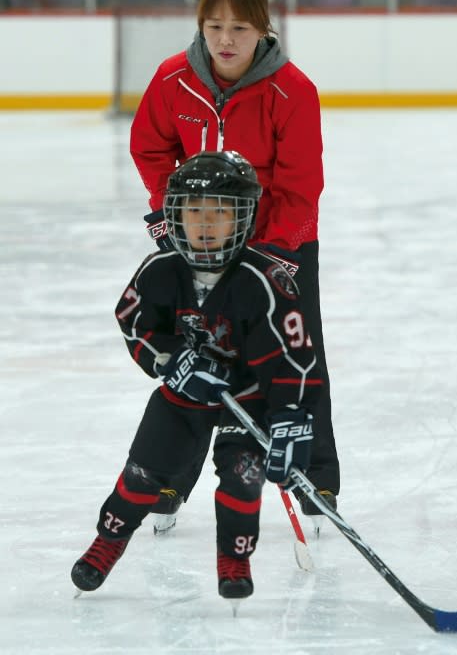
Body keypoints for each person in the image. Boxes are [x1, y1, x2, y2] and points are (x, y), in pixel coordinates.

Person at [130, 0, 339, 526]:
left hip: (280, 251)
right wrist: (166, 212)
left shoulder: (292, 90)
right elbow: (151, 147)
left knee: (296, 363)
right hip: (201, 248)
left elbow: (301, 186)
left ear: (262, 30)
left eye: (239, 28)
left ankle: (315, 480)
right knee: (199, 363)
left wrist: (269, 255)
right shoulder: (174, 78)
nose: (225, 40)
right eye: (214, 25)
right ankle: (172, 483)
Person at [71, 151, 319, 601]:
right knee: (142, 474)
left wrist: (289, 418)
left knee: (243, 478)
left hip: (245, 399)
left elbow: (292, 358)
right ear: (176, 216)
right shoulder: (160, 270)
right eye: (194, 211)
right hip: (181, 398)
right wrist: (169, 361)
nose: (206, 224)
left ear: (243, 219)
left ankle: (234, 558)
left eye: (220, 213)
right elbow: (133, 323)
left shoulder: (264, 280)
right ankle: (107, 542)